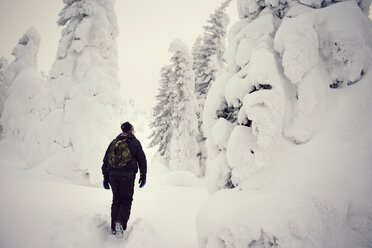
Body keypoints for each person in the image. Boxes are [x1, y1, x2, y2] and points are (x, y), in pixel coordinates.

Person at [102, 121, 147, 237]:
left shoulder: (114, 142)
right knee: (126, 200)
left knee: (116, 199)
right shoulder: (134, 142)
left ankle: (113, 227)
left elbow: (105, 161)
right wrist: (143, 175)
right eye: (133, 129)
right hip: (127, 176)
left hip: (112, 176)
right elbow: (142, 159)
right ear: (131, 130)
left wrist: (105, 178)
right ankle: (120, 223)